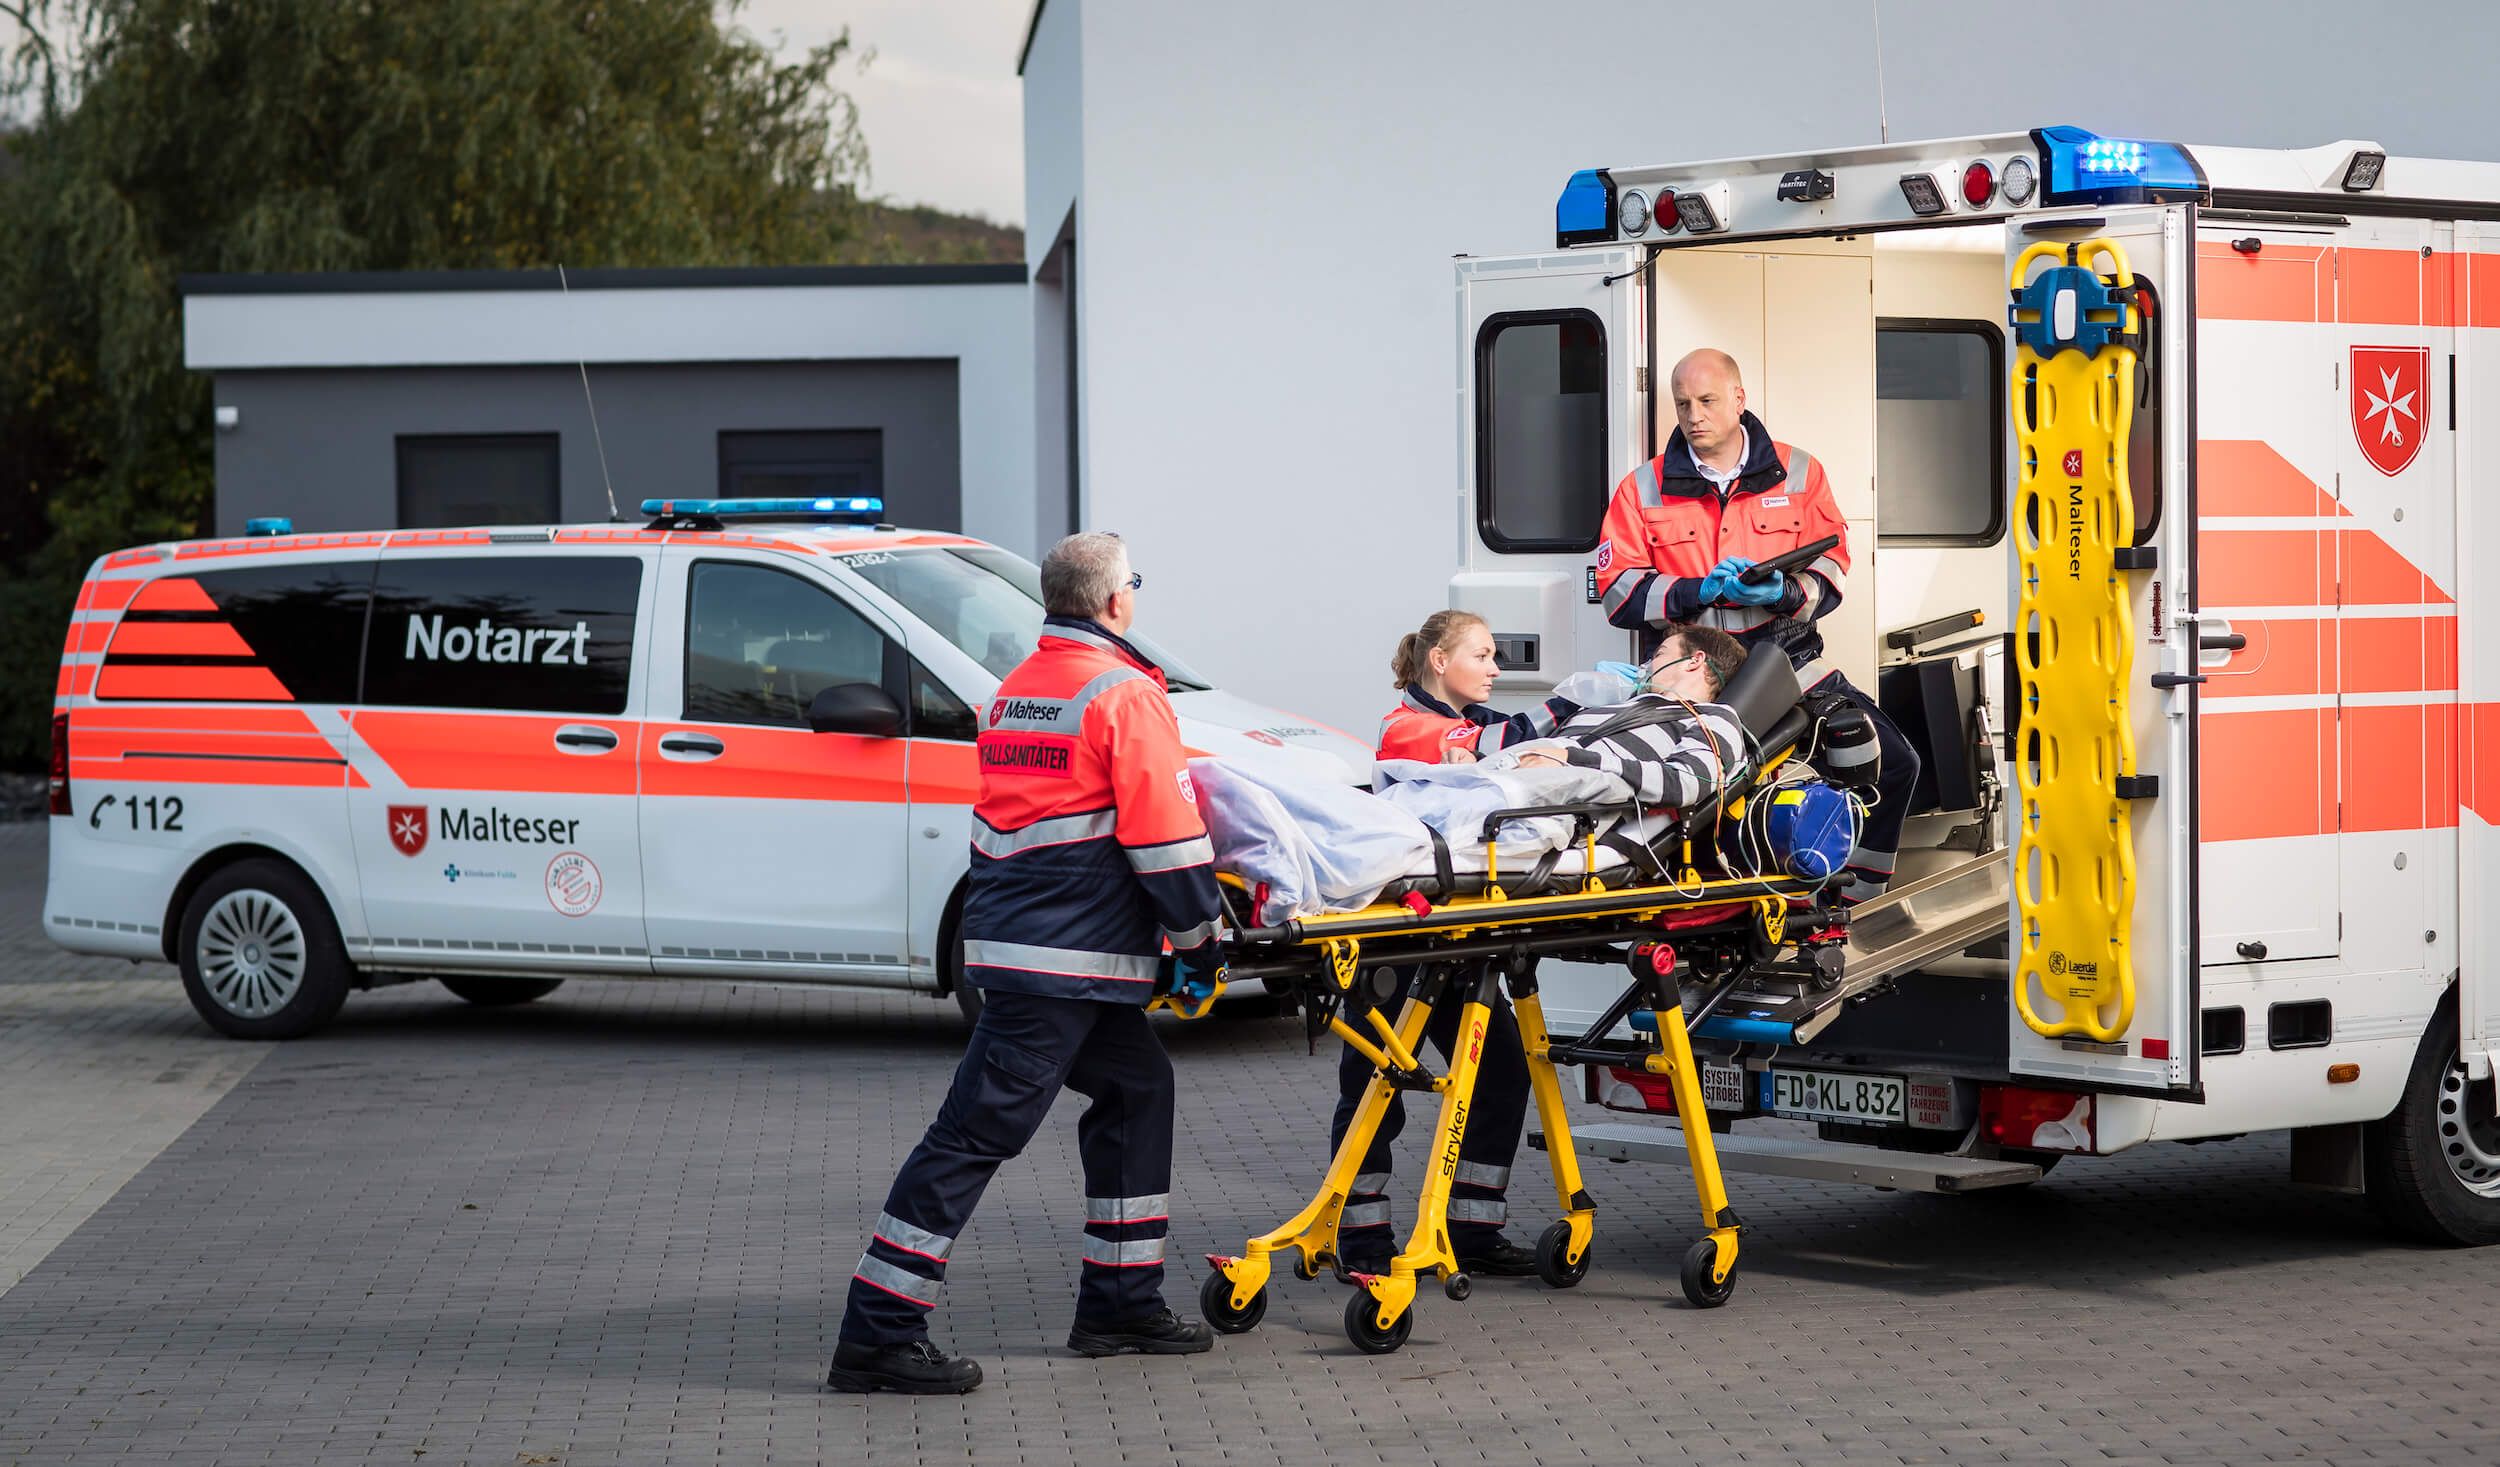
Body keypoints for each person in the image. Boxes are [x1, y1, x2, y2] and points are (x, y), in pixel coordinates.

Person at [827, 532, 1226, 1395]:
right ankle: (878, 1331)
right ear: (1117, 601)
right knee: (972, 1135)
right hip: (1061, 963)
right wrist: (1201, 941)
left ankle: (1120, 1302)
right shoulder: (1124, 694)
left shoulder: (1018, 692)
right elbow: (1165, 837)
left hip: (1027, 949)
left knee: (1136, 1089)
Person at [1328, 625, 1743, 1279]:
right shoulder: (1425, 723)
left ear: (1695, 663)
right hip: (1441, 879)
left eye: (1654, 655)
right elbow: (1510, 746)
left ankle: (1472, 1225)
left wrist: (1578, 762)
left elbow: (1689, 782)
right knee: (1378, 1073)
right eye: (1481, 655)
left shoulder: (1711, 723)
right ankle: (1360, 1236)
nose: (1641, 666)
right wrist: (1554, 737)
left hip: (1512, 831)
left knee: (1499, 1065)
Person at [1590, 347, 1920, 902]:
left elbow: (1832, 566)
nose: (1693, 415)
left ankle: (1851, 899)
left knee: (1893, 765)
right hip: (1697, 676)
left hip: (1786, 662)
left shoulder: (1800, 471)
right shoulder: (1641, 488)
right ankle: (1741, 912)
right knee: (1708, 808)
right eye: (1683, 403)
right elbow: (1617, 592)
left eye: (1708, 400)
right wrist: (1700, 590)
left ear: (1739, 400)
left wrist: (1783, 591)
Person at [1376, 610, 1578, 764]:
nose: (1495, 670)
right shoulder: (1404, 729)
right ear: (1440, 661)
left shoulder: (1467, 717)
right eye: (1482, 657)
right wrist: (1577, 697)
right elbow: (1511, 739)